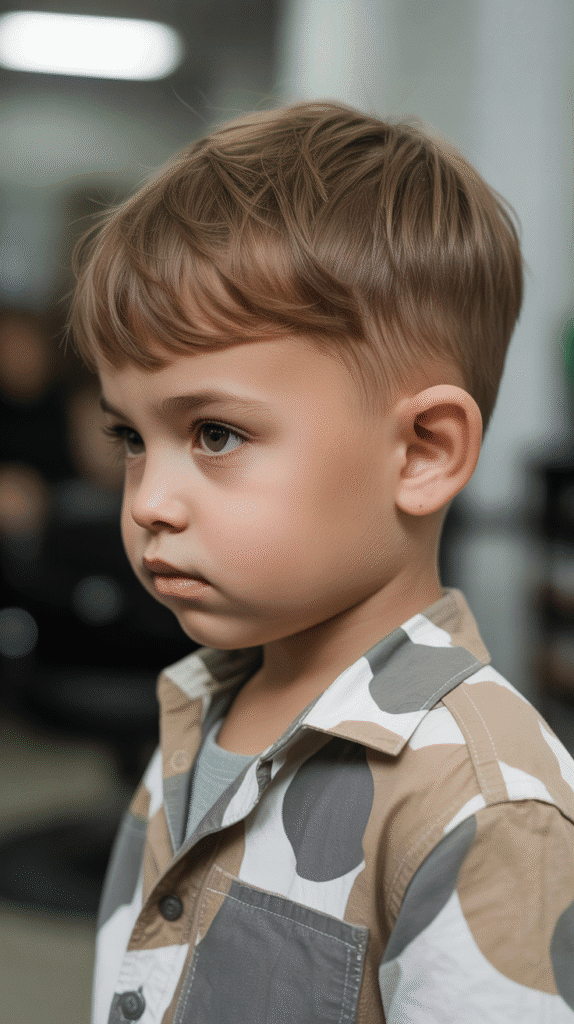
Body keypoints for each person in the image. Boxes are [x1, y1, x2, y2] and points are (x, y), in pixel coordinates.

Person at [68, 101, 574, 1023]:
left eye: (214, 433)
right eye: (131, 436)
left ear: (422, 451)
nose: (147, 502)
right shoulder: (197, 712)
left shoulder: (483, 805)